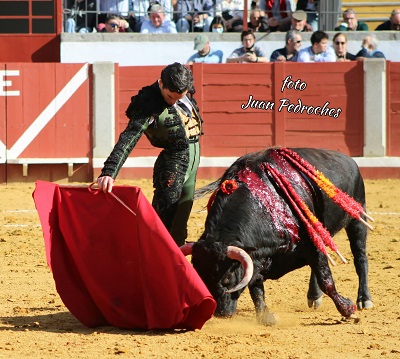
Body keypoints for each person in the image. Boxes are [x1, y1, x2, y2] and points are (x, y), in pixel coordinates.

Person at [97, 63, 203, 247]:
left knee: (180, 220)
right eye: (170, 97)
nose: (173, 102)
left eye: (179, 97)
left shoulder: (183, 91)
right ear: (161, 83)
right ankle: (148, 258)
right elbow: (129, 138)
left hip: (193, 164)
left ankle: (174, 264)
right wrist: (109, 170)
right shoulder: (148, 103)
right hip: (173, 166)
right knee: (162, 219)